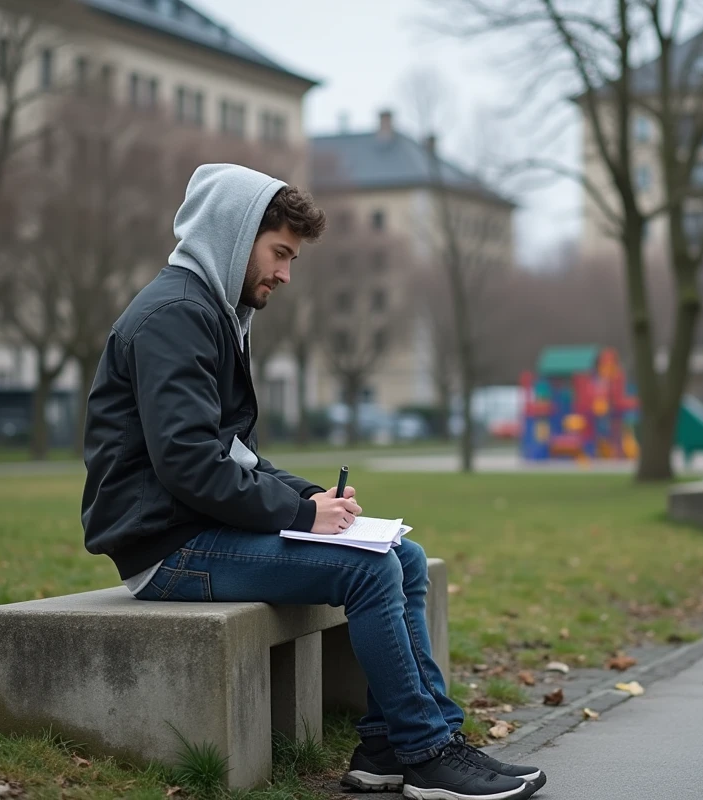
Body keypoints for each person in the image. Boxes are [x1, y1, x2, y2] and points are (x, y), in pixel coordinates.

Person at [81, 164, 546, 800]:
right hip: (166, 548)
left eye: (291, 259)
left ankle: (388, 748)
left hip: (196, 529)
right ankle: (428, 752)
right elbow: (188, 462)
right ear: (234, 236)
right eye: (279, 253)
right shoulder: (177, 317)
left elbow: (234, 453)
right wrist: (302, 518)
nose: (285, 274)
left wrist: (308, 497)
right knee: (369, 570)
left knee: (403, 557)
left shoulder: (209, 312)